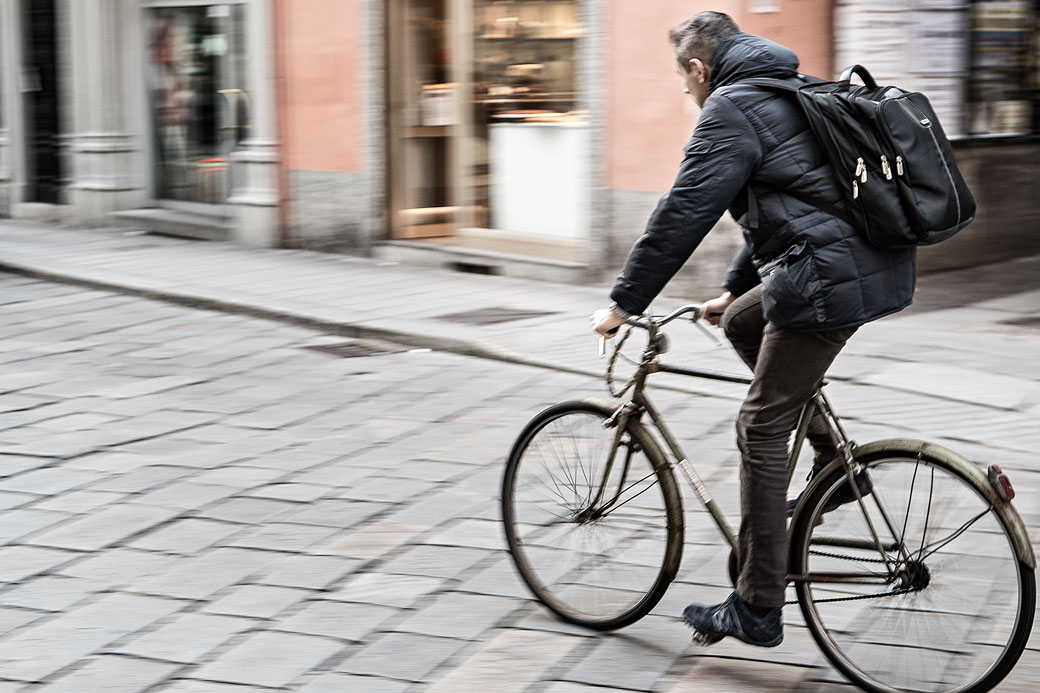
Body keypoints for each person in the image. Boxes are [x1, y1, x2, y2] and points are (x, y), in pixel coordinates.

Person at [590, 12, 916, 647]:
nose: (686, 95)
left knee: (759, 425)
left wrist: (624, 302)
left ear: (698, 68)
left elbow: (686, 209)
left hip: (830, 281)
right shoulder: (795, 88)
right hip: (867, 265)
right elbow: (789, 206)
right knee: (742, 322)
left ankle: (758, 602)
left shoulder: (732, 108)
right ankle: (836, 468)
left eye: (684, 83)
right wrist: (734, 291)